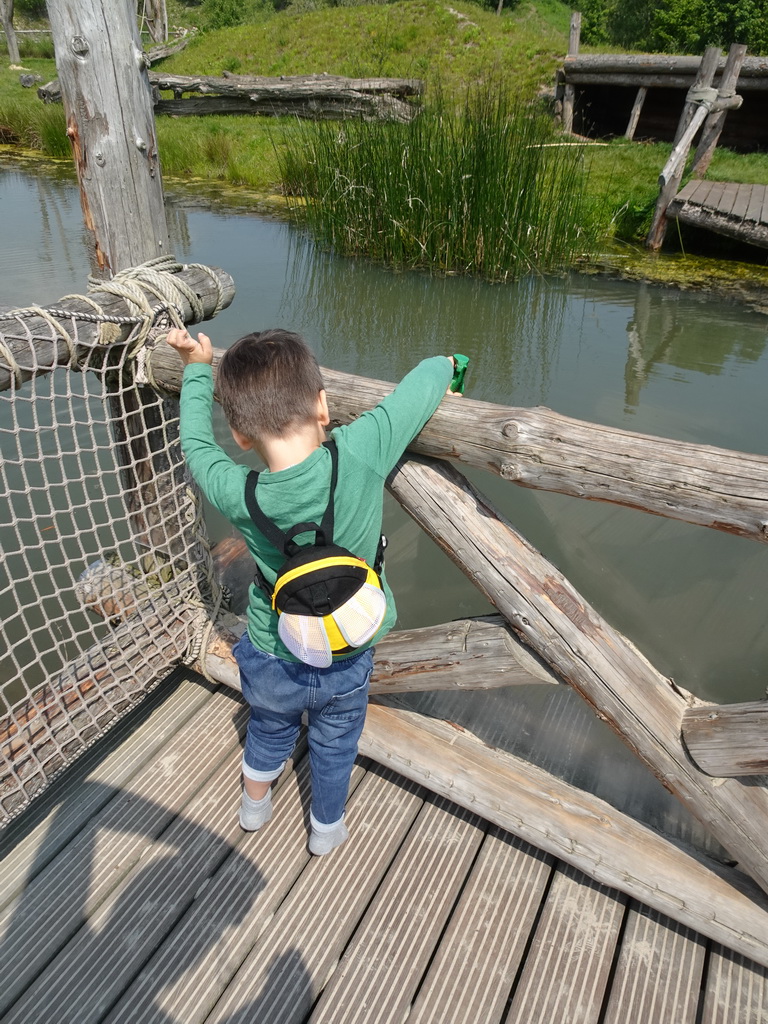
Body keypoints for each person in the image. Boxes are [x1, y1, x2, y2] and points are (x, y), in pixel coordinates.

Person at [167, 325, 457, 855]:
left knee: (270, 727)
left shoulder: (238, 491)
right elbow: (417, 391)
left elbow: (195, 444)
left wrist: (195, 367)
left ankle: (254, 805)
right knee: (335, 742)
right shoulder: (363, 448)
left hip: (273, 651)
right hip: (349, 649)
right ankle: (325, 828)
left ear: (242, 435)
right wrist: (450, 362)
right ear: (323, 407)